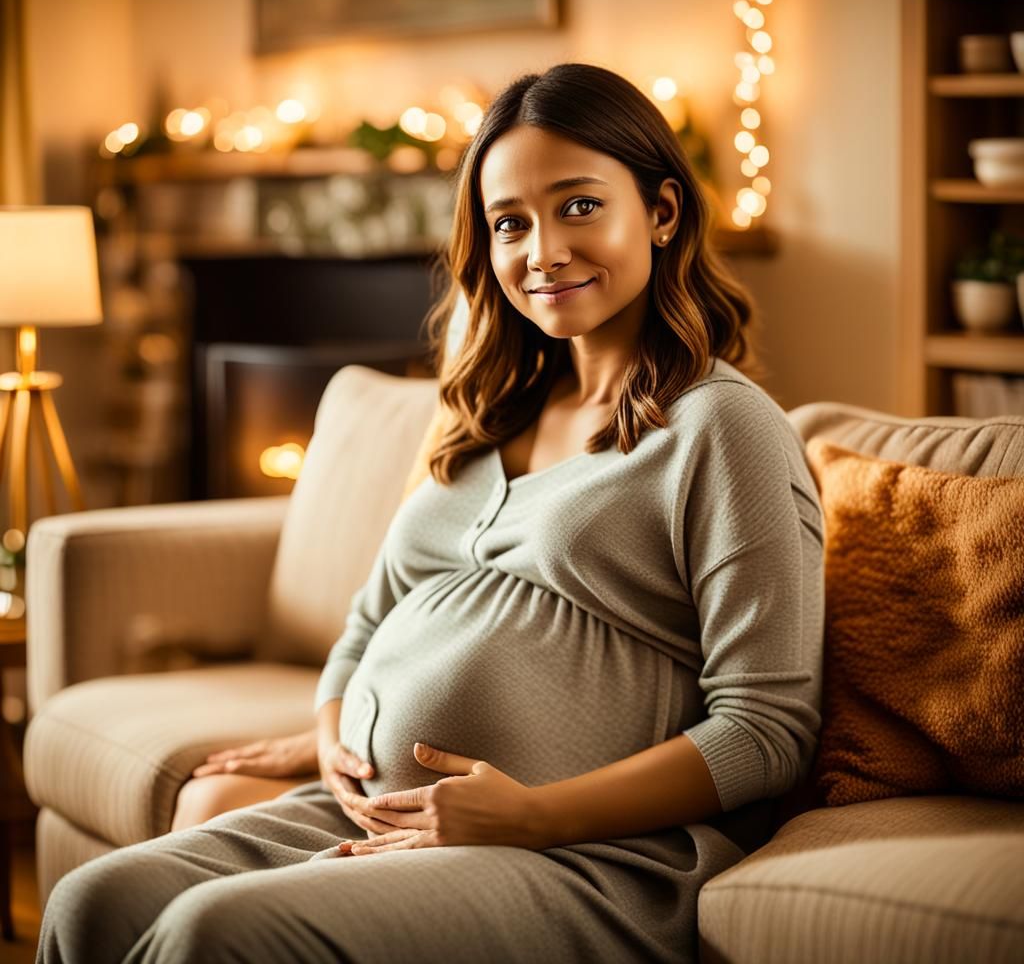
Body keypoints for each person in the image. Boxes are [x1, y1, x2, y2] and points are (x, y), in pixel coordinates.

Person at [36, 61, 825, 964]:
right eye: (510, 223)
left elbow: (766, 732)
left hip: (592, 854)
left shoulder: (722, 429)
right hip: (378, 816)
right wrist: (333, 732)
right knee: (92, 901)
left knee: (210, 934)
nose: (543, 252)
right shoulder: (489, 417)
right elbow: (368, 621)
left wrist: (531, 815)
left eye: (578, 206)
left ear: (663, 212)